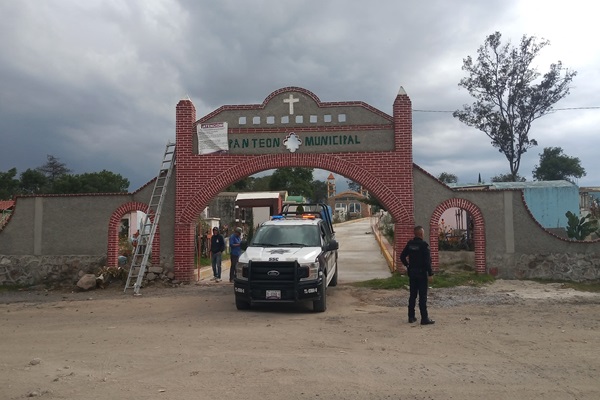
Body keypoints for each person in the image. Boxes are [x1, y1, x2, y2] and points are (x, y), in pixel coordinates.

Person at [400, 225, 435, 325]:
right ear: (421, 233)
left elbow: (402, 256)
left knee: (412, 295)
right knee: (422, 296)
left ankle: (411, 317)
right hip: (422, 274)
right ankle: (424, 318)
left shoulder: (410, 244)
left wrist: (407, 265)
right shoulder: (424, 245)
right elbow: (427, 261)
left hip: (412, 273)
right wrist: (430, 273)